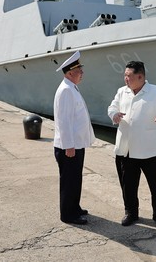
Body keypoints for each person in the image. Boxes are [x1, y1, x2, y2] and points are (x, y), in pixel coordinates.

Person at [107, 60, 156, 231]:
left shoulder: (155, 91)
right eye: (125, 75)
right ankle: (131, 212)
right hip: (127, 148)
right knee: (127, 183)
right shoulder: (122, 92)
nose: (125, 79)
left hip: (150, 148)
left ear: (140, 76)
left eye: (128, 76)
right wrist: (114, 114)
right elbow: (112, 107)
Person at [53, 51, 95, 225]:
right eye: (79, 70)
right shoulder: (66, 91)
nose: (82, 73)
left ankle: (75, 207)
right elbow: (64, 121)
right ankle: (68, 214)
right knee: (69, 180)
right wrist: (68, 146)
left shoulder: (72, 88)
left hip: (76, 144)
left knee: (76, 178)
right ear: (70, 73)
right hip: (69, 146)